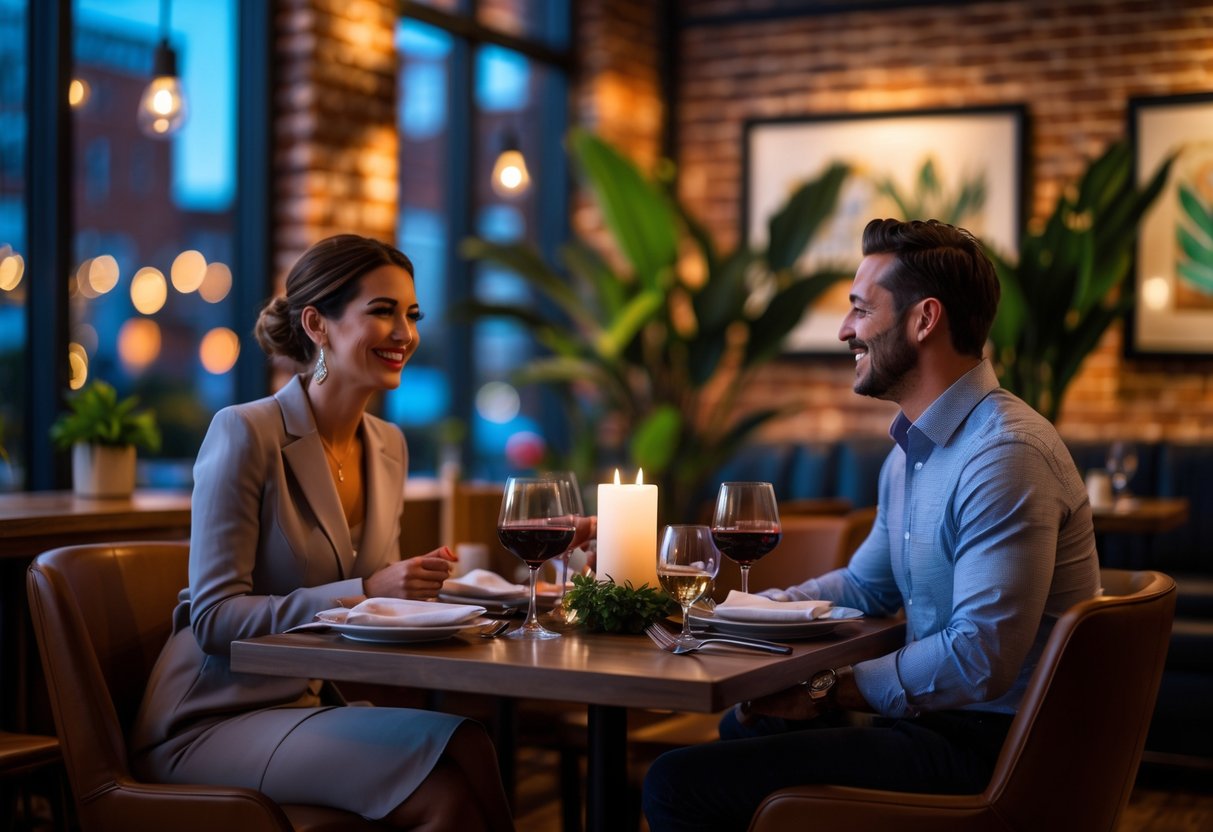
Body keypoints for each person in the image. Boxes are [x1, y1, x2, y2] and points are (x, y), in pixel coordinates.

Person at [643, 218, 1100, 831]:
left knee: (677, 785)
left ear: (923, 320)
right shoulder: (912, 452)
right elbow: (865, 588)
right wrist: (746, 611)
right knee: (743, 724)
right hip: (946, 724)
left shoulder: (1004, 454)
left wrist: (828, 688)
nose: (845, 330)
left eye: (861, 309)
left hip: (998, 751)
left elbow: (980, 658)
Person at [130, 234, 514, 830]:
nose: (404, 334)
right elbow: (213, 621)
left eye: (411, 314)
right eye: (382, 311)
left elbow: (381, 606)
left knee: (470, 741)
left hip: (304, 704)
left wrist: (452, 599)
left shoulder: (389, 447)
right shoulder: (244, 433)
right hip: (208, 720)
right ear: (317, 324)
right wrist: (368, 588)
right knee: (447, 793)